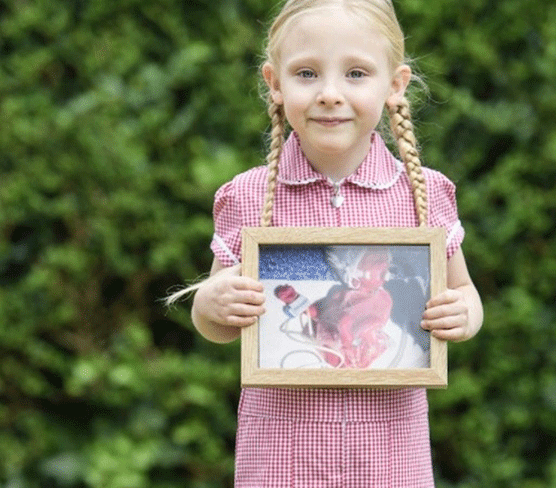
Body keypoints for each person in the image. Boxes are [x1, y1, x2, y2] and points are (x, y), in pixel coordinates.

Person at [170, 0, 483, 486]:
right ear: (275, 84)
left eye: (356, 73)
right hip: (280, 451)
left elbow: (466, 293)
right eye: (307, 73)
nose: (330, 94)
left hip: (389, 451)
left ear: (394, 86)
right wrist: (213, 303)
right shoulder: (250, 196)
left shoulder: (424, 196)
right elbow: (214, 323)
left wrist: (463, 314)